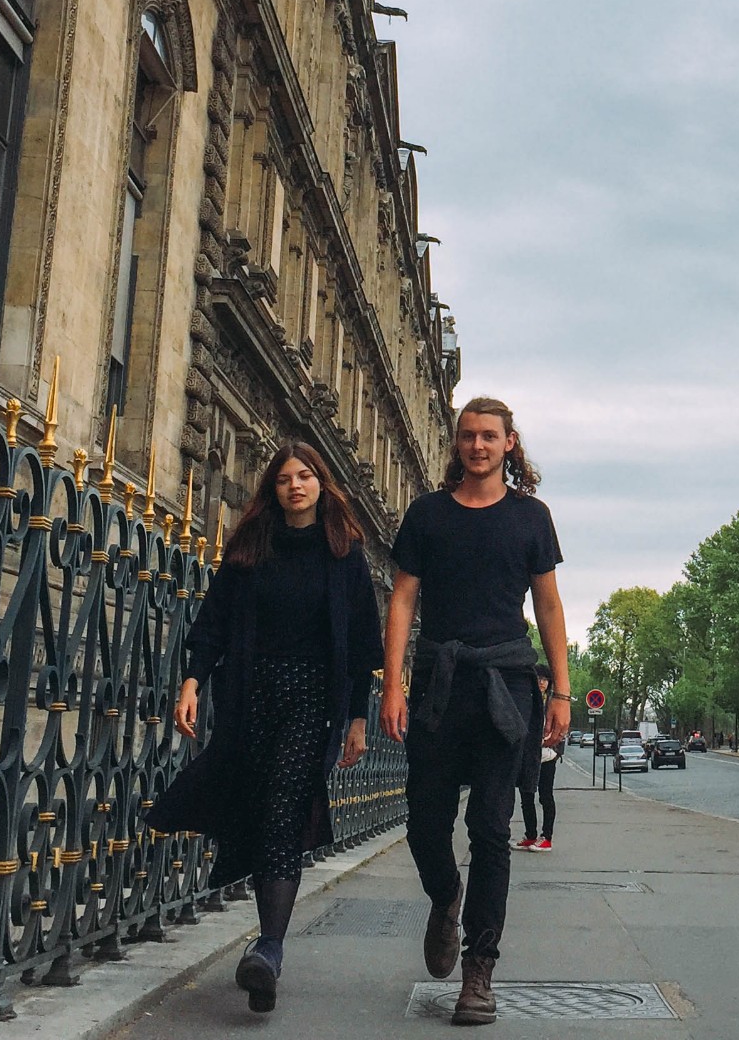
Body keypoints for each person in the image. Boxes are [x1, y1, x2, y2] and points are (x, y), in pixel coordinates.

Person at [146, 442, 380, 1013]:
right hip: (250, 696)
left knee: (282, 812)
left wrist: (357, 719)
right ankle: (265, 950)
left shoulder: (345, 554)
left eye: (305, 476)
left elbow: (360, 647)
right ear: (272, 489)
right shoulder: (251, 546)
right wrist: (192, 682)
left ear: (321, 484)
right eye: (283, 479)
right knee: (258, 812)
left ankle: (269, 949)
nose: (295, 486)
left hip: (311, 701)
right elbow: (215, 621)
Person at [382, 396, 570, 1027]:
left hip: (505, 686)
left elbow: (548, 605)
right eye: (468, 436)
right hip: (439, 683)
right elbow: (403, 599)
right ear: (457, 443)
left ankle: (479, 971)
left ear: (509, 443)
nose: (478, 446)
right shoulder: (427, 514)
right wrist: (392, 685)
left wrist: (562, 691)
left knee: (490, 829)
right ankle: (445, 896)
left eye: (490, 436)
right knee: (424, 823)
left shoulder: (531, 517)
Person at [517, 665, 560, 852]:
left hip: (547, 756)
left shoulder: (552, 703)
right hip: (528, 755)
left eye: (545, 679)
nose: (541, 682)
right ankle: (530, 835)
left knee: (545, 796)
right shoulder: (526, 700)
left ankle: (546, 837)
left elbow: (559, 729)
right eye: (538, 678)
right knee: (526, 796)